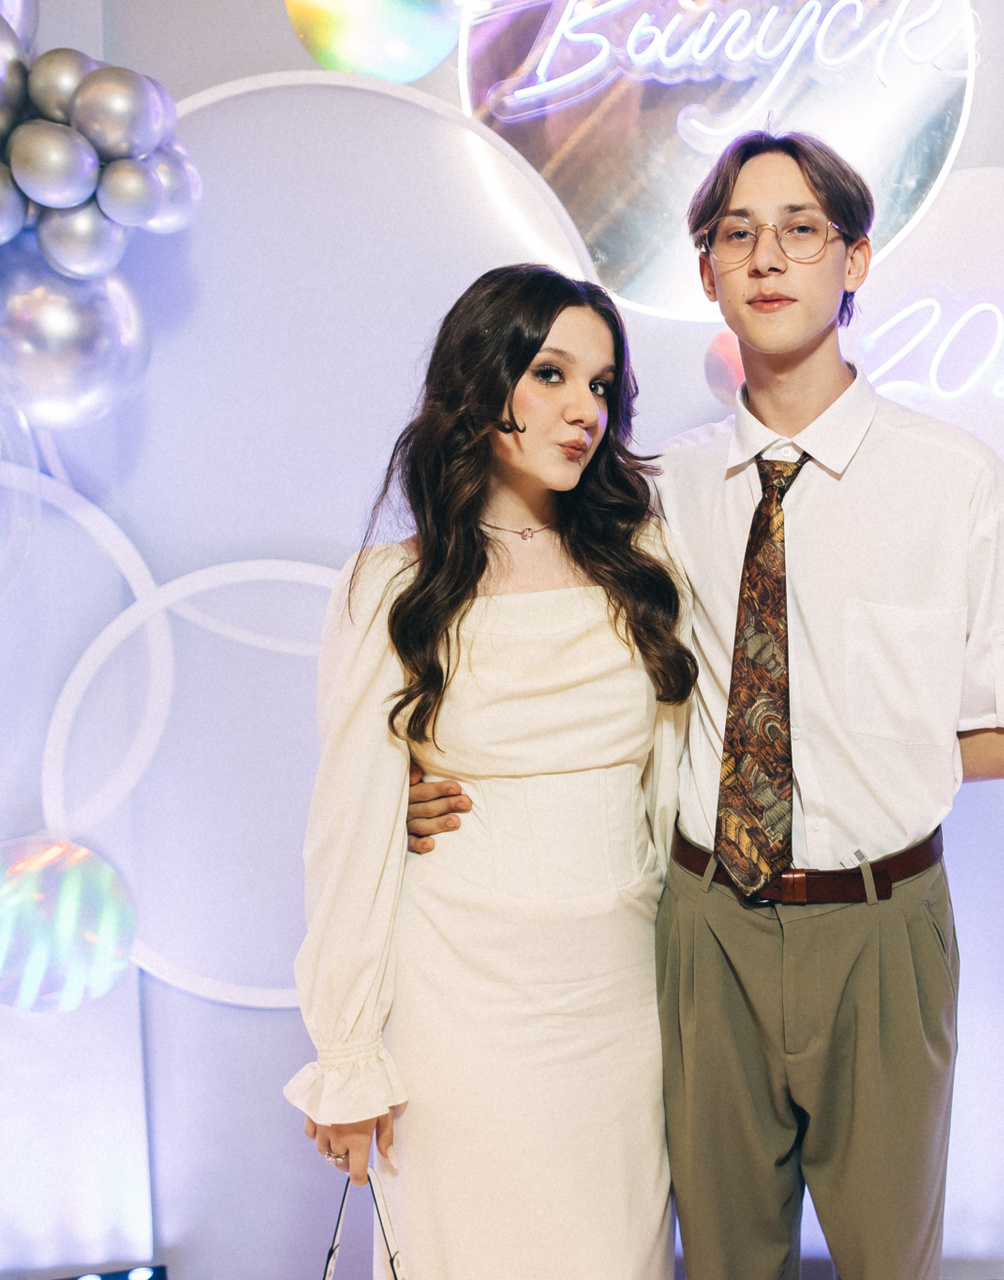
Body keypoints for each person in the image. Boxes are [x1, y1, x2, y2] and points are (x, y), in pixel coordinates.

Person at [410, 133, 1004, 1279]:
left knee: (889, 1257)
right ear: (708, 273)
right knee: (720, 1254)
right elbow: (534, 630)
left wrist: (867, 742)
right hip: (704, 917)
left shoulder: (953, 480)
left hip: (879, 922)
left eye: (801, 229)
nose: (768, 257)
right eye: (737, 233)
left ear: (855, 260)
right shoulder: (660, 491)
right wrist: (421, 774)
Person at [286, 263, 697, 1280]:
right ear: (480, 380)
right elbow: (347, 832)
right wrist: (347, 1053)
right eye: (550, 374)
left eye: (600, 385)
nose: (583, 410)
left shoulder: (648, 560)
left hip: (619, 999)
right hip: (457, 1006)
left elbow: (678, 783)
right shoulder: (392, 585)